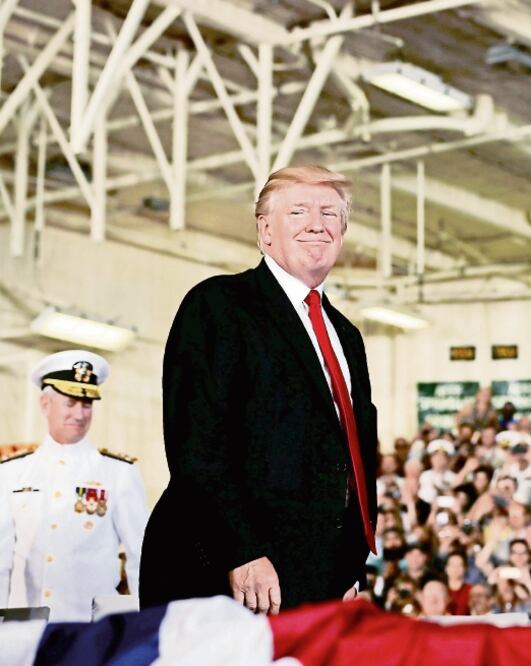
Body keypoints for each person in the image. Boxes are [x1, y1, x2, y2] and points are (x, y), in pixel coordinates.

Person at [140, 165, 379, 615]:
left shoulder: (346, 335)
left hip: (319, 580)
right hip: (227, 573)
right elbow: (197, 443)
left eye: (330, 212)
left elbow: (352, 459)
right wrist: (240, 551)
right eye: (299, 211)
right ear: (265, 232)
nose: (317, 223)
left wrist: (351, 566)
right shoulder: (218, 306)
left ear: (342, 233)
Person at [0, 351, 147, 621]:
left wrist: (142, 625)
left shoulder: (119, 473)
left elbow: (141, 555)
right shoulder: (11, 472)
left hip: (90, 630)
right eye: (70, 403)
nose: (79, 414)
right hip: (24, 628)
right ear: (45, 404)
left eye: (87, 404)